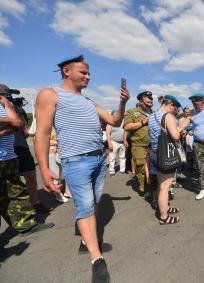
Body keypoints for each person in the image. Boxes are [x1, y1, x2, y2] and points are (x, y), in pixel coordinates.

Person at [34, 55, 130, 282]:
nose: (88, 77)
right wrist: (45, 168)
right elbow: (42, 133)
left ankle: (86, 242)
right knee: (85, 206)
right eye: (83, 73)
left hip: (98, 160)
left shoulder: (89, 102)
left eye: (89, 74)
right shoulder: (50, 94)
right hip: (75, 161)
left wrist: (123, 102)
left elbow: (115, 121)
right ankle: (97, 261)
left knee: (94, 202)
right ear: (66, 71)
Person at [0, 83, 54, 236]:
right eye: (6, 94)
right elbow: (15, 125)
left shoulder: (11, 108)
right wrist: (12, 125)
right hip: (7, 153)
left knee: (16, 190)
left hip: (10, 154)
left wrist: (13, 111)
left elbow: (21, 126)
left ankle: (25, 223)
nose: (9, 97)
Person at [148, 95, 190, 224]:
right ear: (170, 105)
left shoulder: (152, 116)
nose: (177, 111)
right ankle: (164, 216)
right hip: (166, 154)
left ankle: (164, 207)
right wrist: (183, 126)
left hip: (155, 153)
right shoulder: (168, 117)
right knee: (165, 187)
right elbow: (176, 136)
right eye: (176, 109)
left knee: (161, 184)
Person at [11, 97, 52, 213]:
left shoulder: (18, 111)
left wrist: (17, 110)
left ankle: (34, 203)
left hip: (21, 146)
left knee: (31, 176)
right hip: (6, 150)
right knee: (11, 182)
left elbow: (24, 129)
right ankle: (18, 209)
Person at [123, 91, 153, 198]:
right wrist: (143, 122)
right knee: (141, 167)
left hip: (153, 145)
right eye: (147, 98)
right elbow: (127, 127)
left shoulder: (154, 113)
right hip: (139, 145)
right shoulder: (132, 112)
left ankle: (154, 187)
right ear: (140, 101)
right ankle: (144, 188)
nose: (150, 100)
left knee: (154, 167)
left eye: (151, 98)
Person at [106, 110, 126, 176]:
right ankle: (112, 171)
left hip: (123, 142)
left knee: (123, 157)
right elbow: (108, 133)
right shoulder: (110, 122)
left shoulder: (125, 121)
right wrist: (109, 143)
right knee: (112, 158)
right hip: (114, 142)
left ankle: (122, 170)